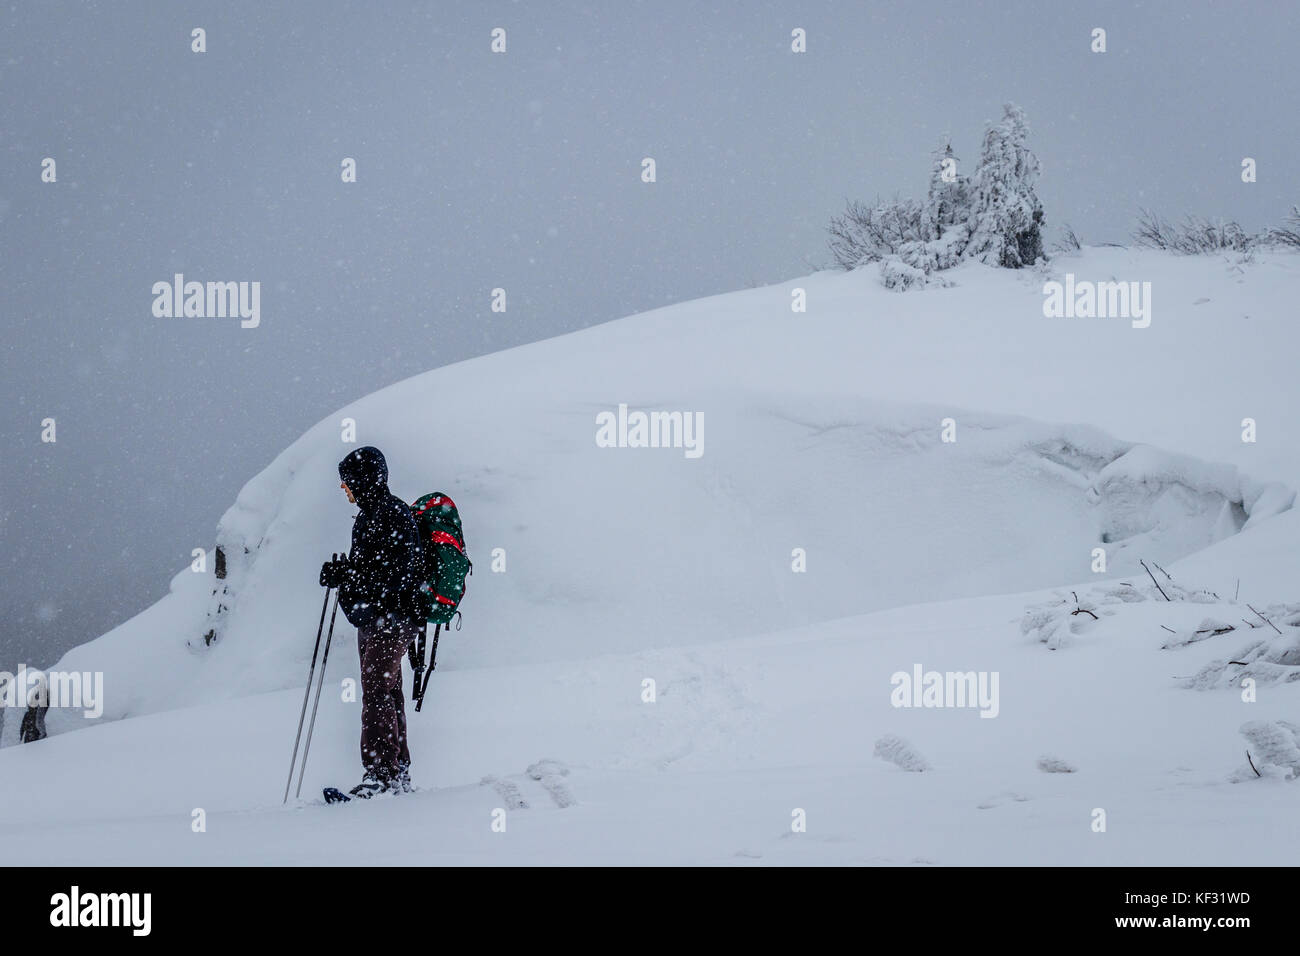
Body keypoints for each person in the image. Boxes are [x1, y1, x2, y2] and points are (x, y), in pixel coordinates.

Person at [320, 446, 424, 798]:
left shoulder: (393, 515)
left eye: (347, 482)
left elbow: (398, 576)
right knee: (387, 690)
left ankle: (381, 775)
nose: (344, 489)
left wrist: (350, 577)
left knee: (377, 689)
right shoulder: (371, 516)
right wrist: (345, 574)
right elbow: (372, 572)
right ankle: (397, 774)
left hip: (393, 619)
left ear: (364, 481)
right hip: (378, 618)